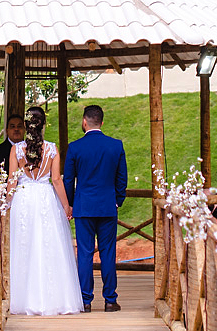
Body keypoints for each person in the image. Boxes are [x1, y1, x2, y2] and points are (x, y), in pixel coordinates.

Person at [6, 106, 84, 316]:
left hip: (23, 199)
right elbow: (57, 180)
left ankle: (23, 299)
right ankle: (54, 299)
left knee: (24, 245)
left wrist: (6, 203)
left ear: (26, 125)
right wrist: (66, 206)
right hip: (45, 199)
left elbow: (12, 181)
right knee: (48, 245)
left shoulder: (16, 150)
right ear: (43, 125)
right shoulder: (52, 148)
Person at [62, 104, 127, 313]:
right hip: (108, 207)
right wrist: (117, 200)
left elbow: (69, 180)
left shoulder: (75, 147)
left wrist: (70, 204)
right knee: (108, 253)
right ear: (101, 122)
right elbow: (121, 178)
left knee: (85, 254)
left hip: (83, 208)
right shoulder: (116, 146)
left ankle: (85, 300)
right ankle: (110, 300)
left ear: (84, 121)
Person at [0, 113, 26, 182]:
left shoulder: (31, 150)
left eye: (19, 126)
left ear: (25, 130)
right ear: (7, 131)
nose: (16, 129)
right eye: (12, 127)